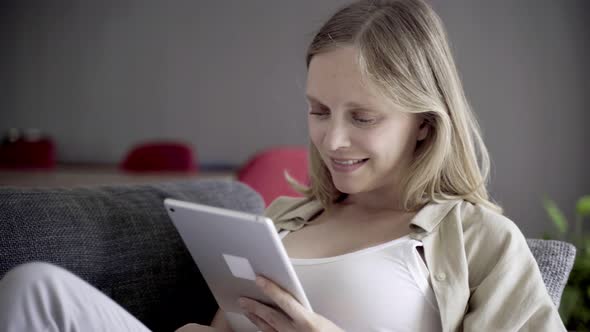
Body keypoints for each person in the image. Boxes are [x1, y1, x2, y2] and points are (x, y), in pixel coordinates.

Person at [0, 0, 567, 331]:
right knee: (34, 288)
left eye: (363, 117)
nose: (333, 139)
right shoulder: (284, 219)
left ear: (424, 120)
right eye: (319, 110)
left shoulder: (479, 239)